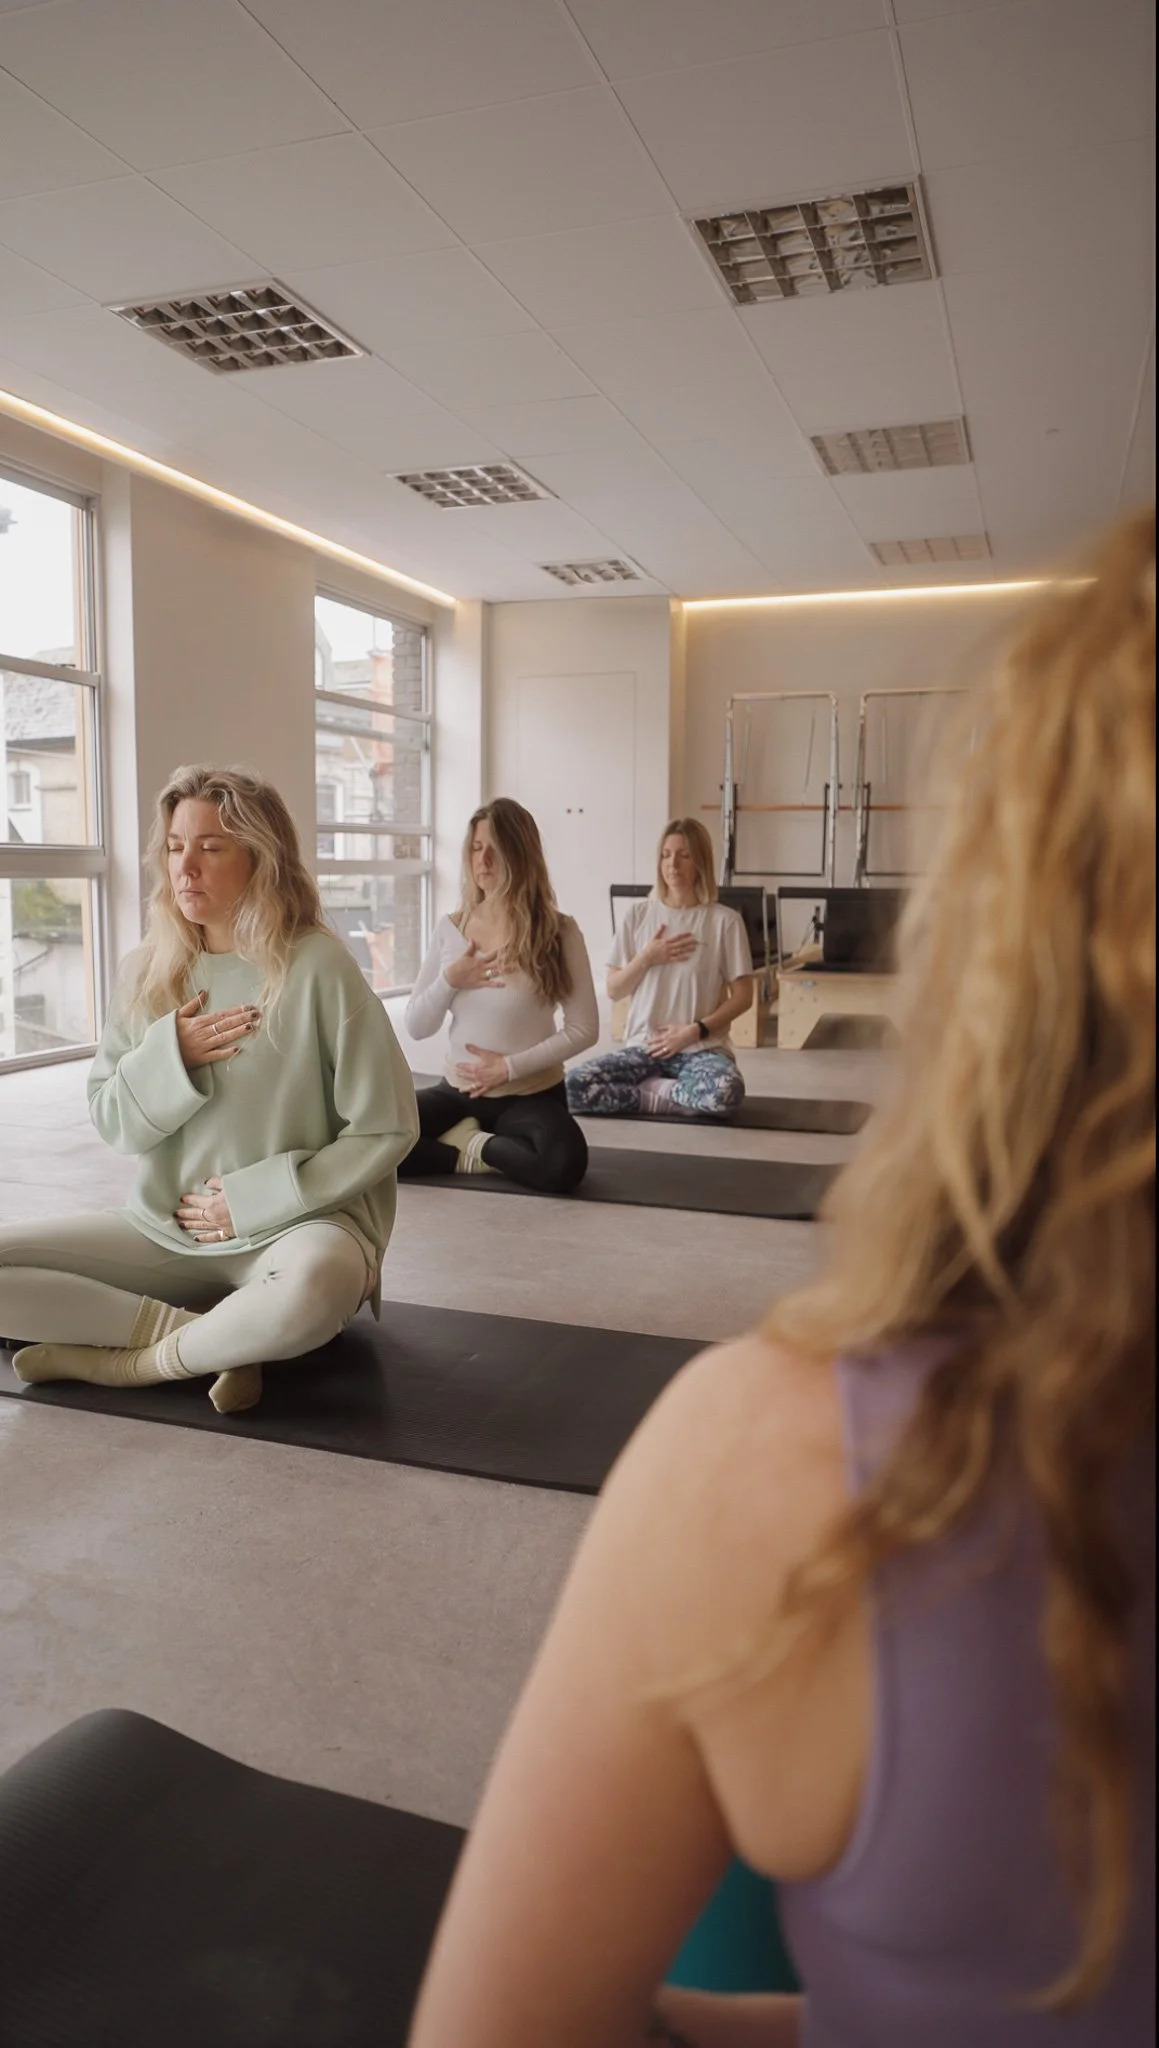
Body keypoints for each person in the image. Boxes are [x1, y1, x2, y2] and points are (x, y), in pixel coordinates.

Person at [408, 510, 1156, 2047]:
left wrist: (654, 1030)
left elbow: (698, 1012)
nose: (674, 867)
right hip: (561, 1064)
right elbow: (555, 1016)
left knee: (751, 1754)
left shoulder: (766, 1453)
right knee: (499, 1104)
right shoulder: (544, 927)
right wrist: (502, 1004)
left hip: (642, 1077)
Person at [0, 765, 418, 1417]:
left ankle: (132, 1365)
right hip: (164, 1229)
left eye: (210, 847)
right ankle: (211, 1341)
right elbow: (116, 1124)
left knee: (313, 1286)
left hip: (301, 1228)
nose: (185, 867)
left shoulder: (317, 965)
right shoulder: (149, 971)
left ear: (261, 859)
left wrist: (255, 1199)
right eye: (174, 847)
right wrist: (174, 1055)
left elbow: (387, 1126)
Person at [400, 798, 597, 1194]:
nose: (483, 858)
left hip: (529, 1094)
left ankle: (466, 1142)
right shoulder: (451, 928)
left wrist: (508, 1068)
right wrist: (450, 980)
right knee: (372, 1140)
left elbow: (585, 1029)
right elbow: (417, 1026)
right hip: (456, 1091)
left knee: (564, 1164)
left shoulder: (559, 932)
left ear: (521, 853)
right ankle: (476, 1152)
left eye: (495, 847)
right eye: (476, 847)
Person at [566, 818, 754, 1122]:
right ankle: (669, 1098)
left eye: (684, 855)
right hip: (645, 1047)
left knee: (726, 1092)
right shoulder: (638, 915)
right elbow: (614, 989)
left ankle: (652, 1092)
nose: (673, 864)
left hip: (701, 1049)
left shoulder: (725, 921)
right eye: (666, 855)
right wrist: (646, 957)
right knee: (572, 1087)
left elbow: (744, 996)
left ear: (700, 862)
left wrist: (695, 1030)